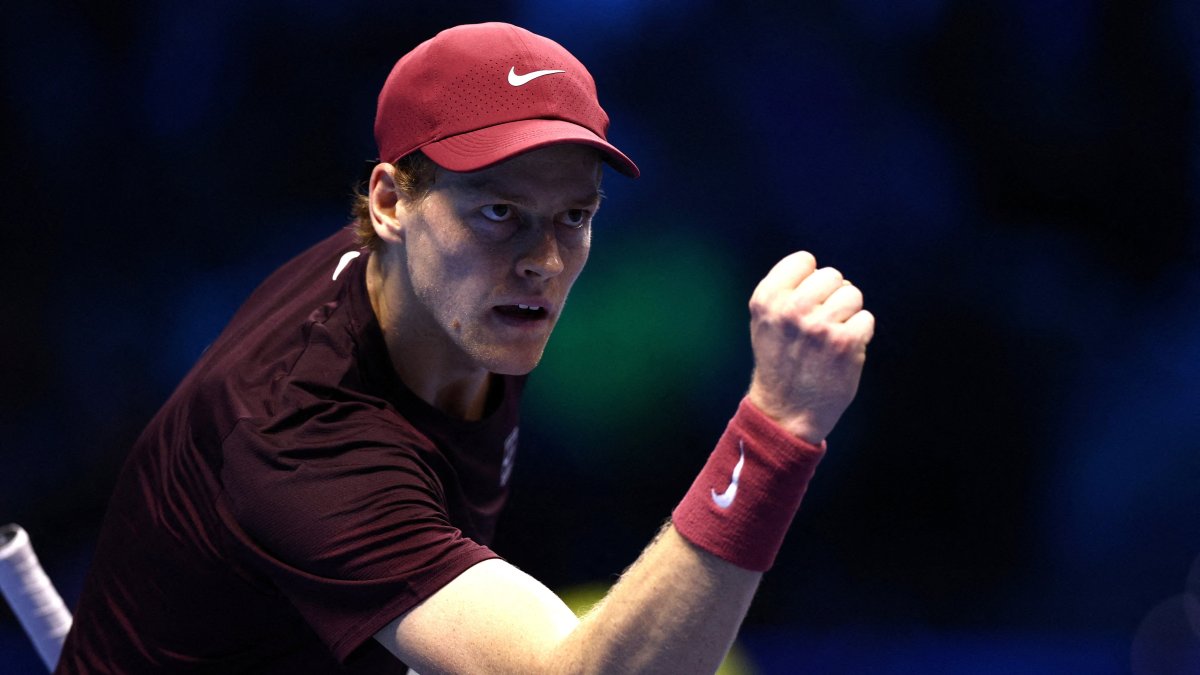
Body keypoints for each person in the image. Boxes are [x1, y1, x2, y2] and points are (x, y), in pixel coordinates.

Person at [56, 21, 874, 674]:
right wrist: (777, 426)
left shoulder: (444, 294)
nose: (544, 261)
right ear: (388, 201)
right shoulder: (300, 429)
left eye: (574, 217)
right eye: (498, 211)